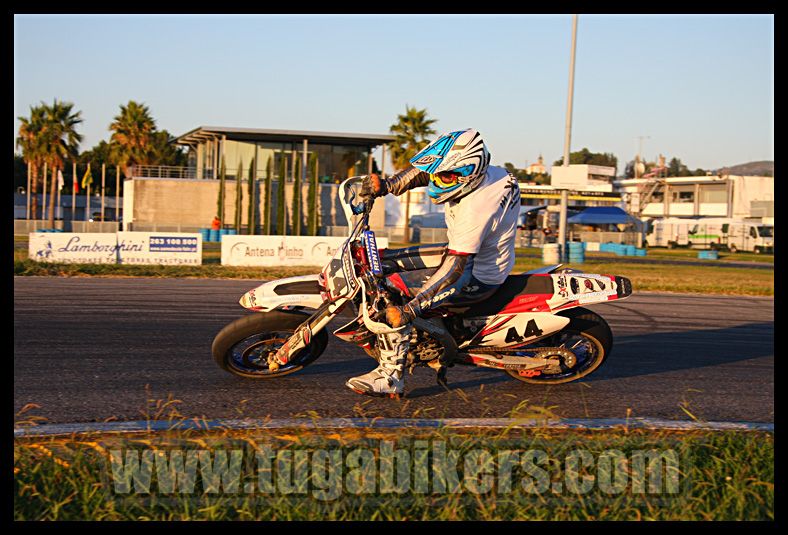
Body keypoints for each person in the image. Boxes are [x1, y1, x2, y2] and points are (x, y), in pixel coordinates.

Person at [345, 128, 521, 398]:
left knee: (394, 294)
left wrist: (410, 310)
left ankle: (390, 375)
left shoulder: (476, 209)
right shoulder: (489, 173)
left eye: (446, 176)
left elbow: (456, 271)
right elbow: (427, 171)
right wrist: (389, 184)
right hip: (467, 250)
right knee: (379, 261)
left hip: (477, 272)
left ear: (469, 173)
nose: (437, 181)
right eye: (438, 172)